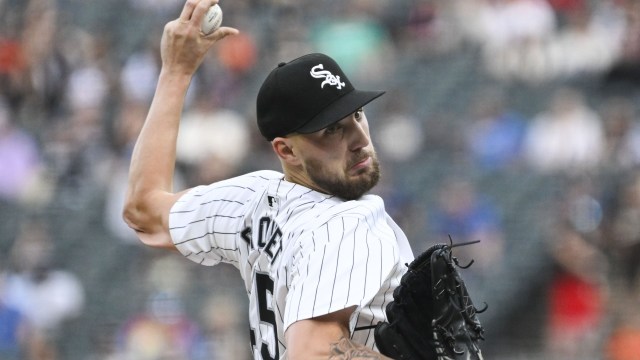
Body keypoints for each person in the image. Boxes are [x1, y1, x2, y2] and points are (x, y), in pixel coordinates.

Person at [122, 0, 414, 359]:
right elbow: (312, 354)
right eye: (333, 130)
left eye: (357, 115)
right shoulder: (348, 224)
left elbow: (143, 208)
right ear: (286, 151)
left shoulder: (252, 198)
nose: (359, 140)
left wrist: (176, 73)